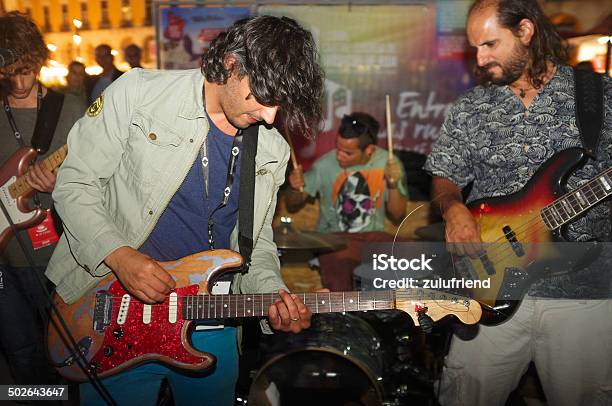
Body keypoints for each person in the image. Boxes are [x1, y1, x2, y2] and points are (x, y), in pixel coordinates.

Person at [46, 15, 324, 405]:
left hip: (213, 326)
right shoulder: (140, 93)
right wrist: (120, 257)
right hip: (112, 314)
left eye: (281, 104)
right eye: (262, 97)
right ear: (231, 64)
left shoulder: (272, 149)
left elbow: (254, 240)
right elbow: (75, 183)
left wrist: (271, 296)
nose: (270, 116)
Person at [424, 1, 612, 405]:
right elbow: (444, 176)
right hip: (490, 281)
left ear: (525, 31)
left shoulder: (601, 96)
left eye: (490, 44)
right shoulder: (472, 107)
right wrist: (454, 210)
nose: (481, 58)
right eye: (474, 47)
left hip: (582, 294)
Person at [0, 12, 86, 385]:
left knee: (66, 354)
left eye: (26, 69)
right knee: (20, 355)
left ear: (38, 61)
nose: (19, 82)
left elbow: (92, 179)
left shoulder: (68, 109)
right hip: (4, 262)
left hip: (56, 259)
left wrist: (59, 185)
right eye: (10, 71)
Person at [287, 112, 408, 290]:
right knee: (341, 278)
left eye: (348, 153)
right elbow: (292, 204)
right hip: (335, 238)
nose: (339, 156)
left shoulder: (388, 163)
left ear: (369, 150)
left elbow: (398, 214)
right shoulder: (324, 165)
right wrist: (294, 188)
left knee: (416, 254)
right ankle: (342, 317)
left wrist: (392, 184)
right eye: (338, 149)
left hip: (373, 238)